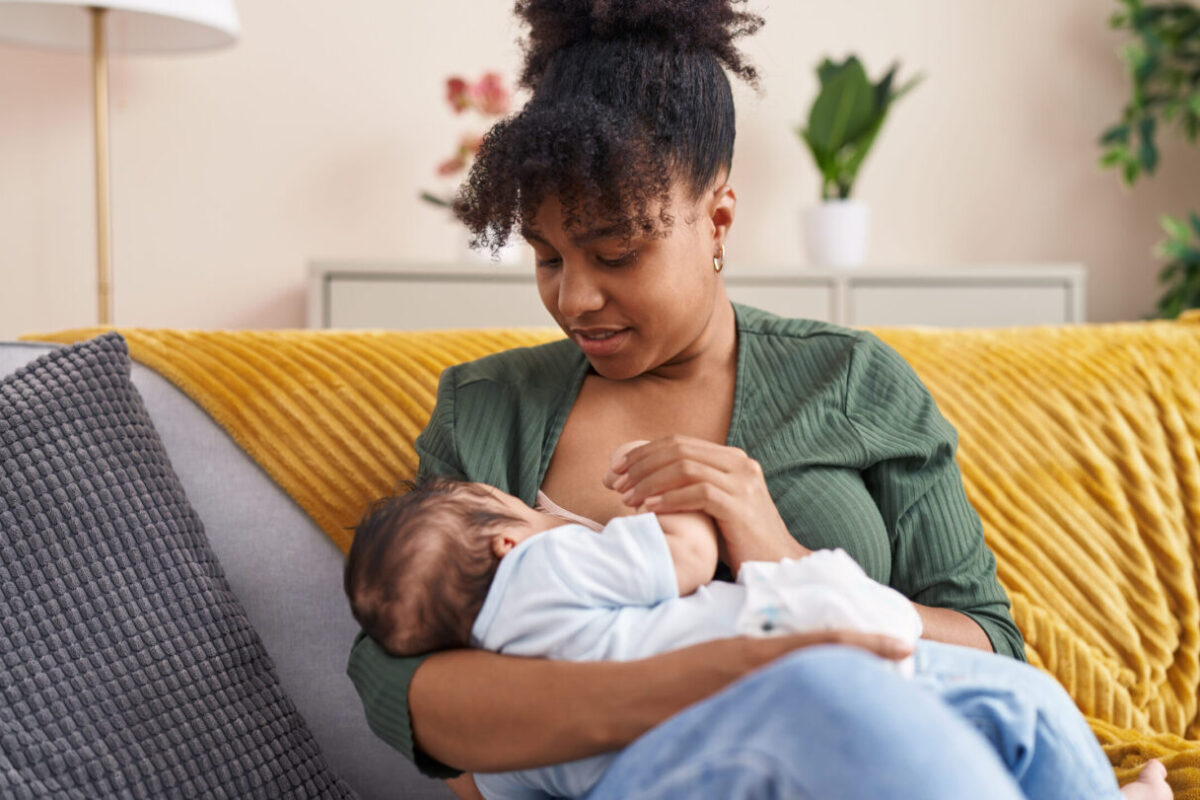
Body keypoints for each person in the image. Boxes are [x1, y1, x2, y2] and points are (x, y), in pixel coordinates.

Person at [347, 1, 1172, 797]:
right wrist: (717, 677)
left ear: (717, 221)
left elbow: (991, 651)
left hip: (890, 759)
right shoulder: (488, 407)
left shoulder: (852, 381)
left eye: (617, 253)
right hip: (662, 777)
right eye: (548, 259)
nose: (574, 300)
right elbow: (401, 679)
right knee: (818, 694)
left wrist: (774, 544)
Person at [345, 471, 924, 798]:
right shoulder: (545, 565)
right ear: (506, 542)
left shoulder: (496, 732)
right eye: (517, 506)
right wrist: (667, 501)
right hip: (786, 674)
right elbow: (691, 556)